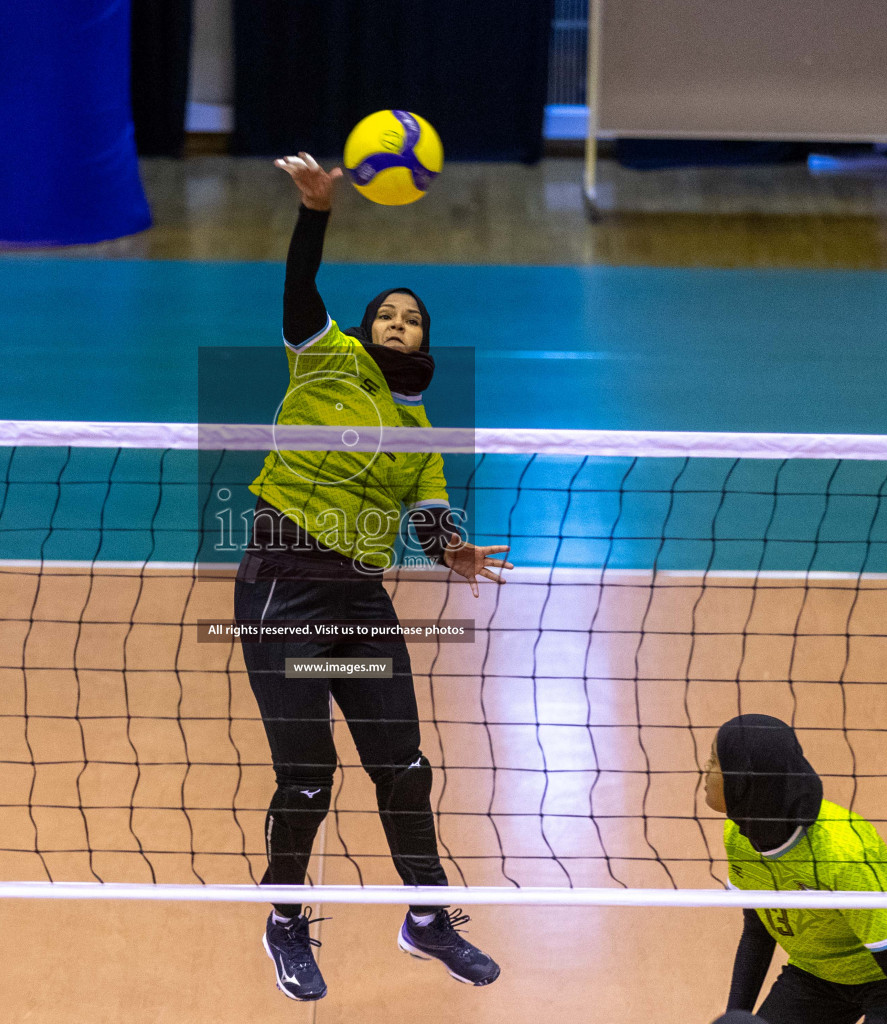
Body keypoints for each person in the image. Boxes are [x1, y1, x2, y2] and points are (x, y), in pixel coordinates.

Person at [235, 153, 512, 1001]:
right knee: (307, 774)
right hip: (284, 587)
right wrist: (316, 212)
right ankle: (285, 919)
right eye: (387, 314)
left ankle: (425, 917)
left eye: (412, 319)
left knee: (404, 764)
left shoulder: (421, 426)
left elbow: (428, 515)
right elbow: (298, 287)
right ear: (364, 326)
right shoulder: (325, 359)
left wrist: (452, 549)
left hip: (359, 599)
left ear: (424, 342)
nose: (398, 322)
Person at [705, 714, 887, 1024]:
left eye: (714, 761)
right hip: (819, 974)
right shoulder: (739, 835)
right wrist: (736, 1017)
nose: (705, 769)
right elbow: (759, 932)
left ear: (744, 780)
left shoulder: (839, 853)